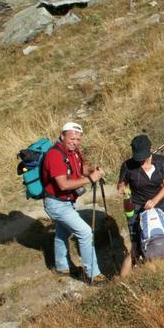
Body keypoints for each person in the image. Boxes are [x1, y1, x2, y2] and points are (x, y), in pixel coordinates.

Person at [42, 122, 107, 285]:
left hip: (67, 202)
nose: (75, 142)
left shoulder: (75, 151)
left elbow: (82, 169)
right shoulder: (54, 155)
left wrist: (93, 172)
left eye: (78, 139)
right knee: (85, 233)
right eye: (72, 138)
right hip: (56, 204)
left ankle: (63, 268)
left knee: (62, 233)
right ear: (62, 136)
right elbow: (63, 185)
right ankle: (93, 275)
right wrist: (90, 179)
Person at [117, 135, 164, 264]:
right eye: (138, 157)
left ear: (151, 149)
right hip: (136, 207)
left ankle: (162, 263)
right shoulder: (128, 165)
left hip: (158, 206)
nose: (141, 160)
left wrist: (154, 201)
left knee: (162, 237)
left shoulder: (160, 161)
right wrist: (122, 188)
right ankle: (137, 265)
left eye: (143, 156)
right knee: (136, 243)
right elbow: (121, 184)